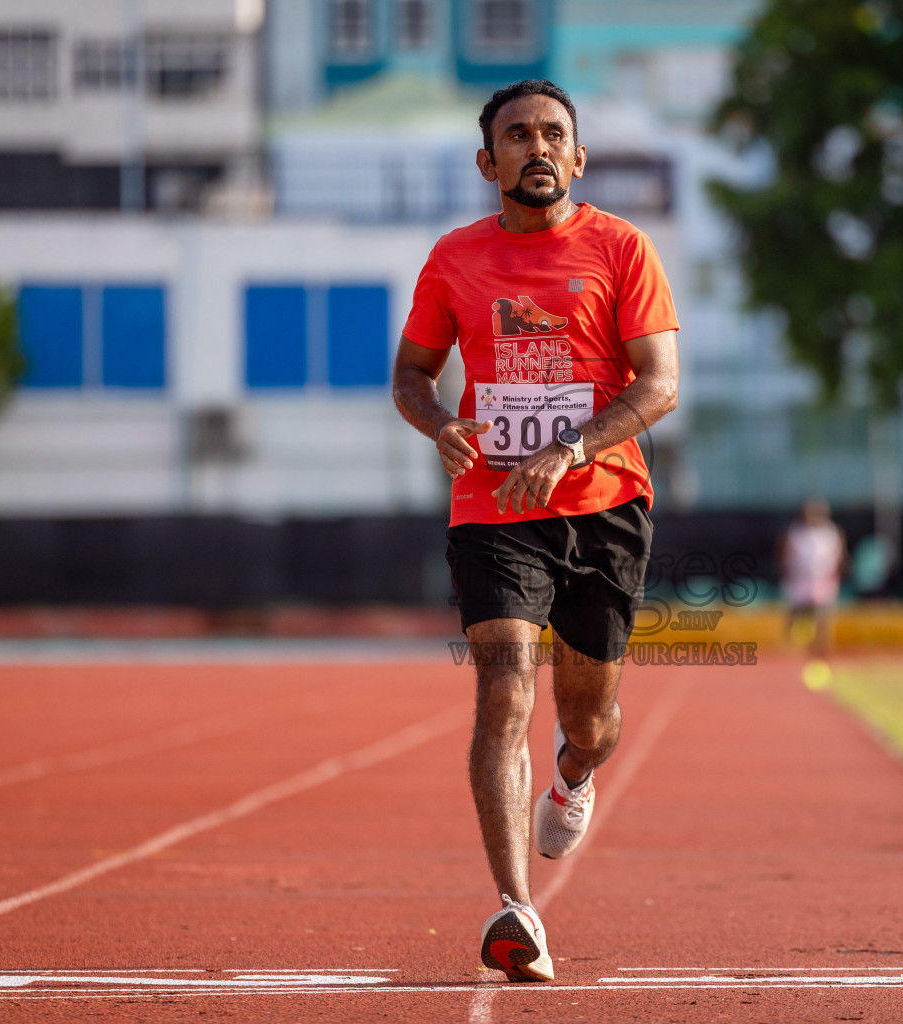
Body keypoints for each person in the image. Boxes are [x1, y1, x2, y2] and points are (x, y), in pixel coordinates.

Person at [391, 79, 680, 983]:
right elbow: (411, 374)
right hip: (495, 509)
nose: (537, 147)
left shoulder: (621, 249)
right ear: (489, 162)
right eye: (517, 136)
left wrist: (570, 446)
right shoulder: (452, 260)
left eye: (554, 133)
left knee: (588, 715)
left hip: (604, 506)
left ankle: (576, 773)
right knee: (503, 689)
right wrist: (439, 425)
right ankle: (517, 908)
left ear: (579, 157)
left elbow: (659, 384)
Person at [779, 498, 846, 659]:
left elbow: (840, 556)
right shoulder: (795, 532)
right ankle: (791, 652)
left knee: (823, 618)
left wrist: (836, 574)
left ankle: (821, 652)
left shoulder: (832, 532)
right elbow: (784, 554)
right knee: (794, 616)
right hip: (800, 580)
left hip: (823, 581)